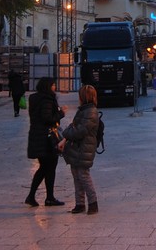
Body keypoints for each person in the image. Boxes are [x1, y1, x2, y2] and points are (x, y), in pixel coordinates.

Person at [58, 84, 101, 215]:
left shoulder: (91, 112)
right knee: (77, 176)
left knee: (83, 176)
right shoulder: (83, 110)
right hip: (77, 148)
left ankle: (93, 203)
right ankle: (80, 203)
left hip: (84, 148)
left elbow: (79, 131)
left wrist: (65, 134)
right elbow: (74, 125)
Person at [25, 77, 66, 207]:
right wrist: (61, 113)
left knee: (44, 168)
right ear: (48, 86)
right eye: (53, 85)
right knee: (48, 167)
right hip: (47, 139)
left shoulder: (35, 98)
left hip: (37, 136)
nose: (55, 87)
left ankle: (37, 196)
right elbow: (47, 118)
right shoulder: (47, 99)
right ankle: (46, 197)